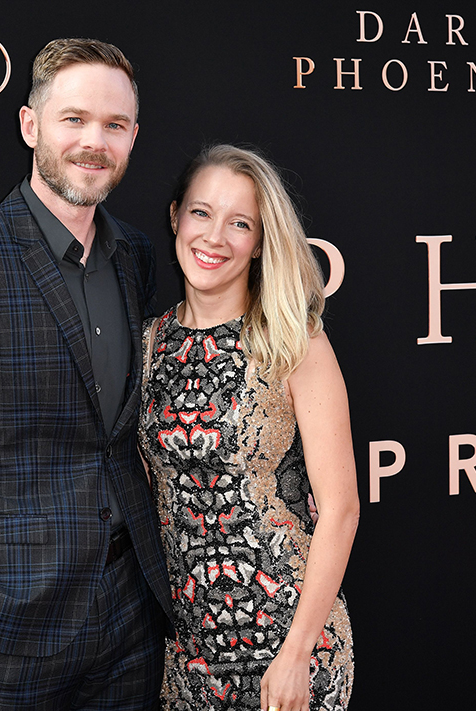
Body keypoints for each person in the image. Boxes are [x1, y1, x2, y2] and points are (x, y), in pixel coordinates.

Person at [0, 38, 172, 711]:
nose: (94, 142)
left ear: (133, 137)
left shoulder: (136, 256)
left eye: (114, 124)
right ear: (30, 125)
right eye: (73, 119)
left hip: (133, 615)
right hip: (12, 629)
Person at [139, 145, 359, 711]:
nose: (214, 237)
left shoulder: (293, 342)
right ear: (175, 217)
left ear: (259, 242)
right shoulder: (147, 345)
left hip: (290, 640)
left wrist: (297, 654)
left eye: (240, 223)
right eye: (201, 212)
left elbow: (341, 509)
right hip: (188, 653)